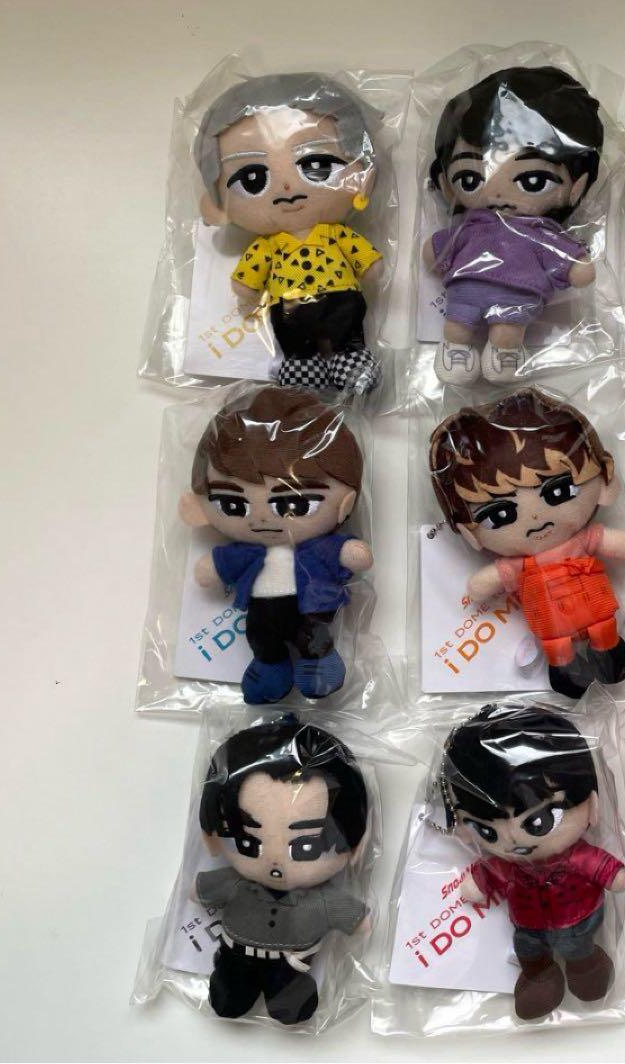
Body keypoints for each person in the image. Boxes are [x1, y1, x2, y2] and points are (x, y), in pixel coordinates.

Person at [429, 389, 625, 697]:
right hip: (552, 623)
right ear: (467, 531)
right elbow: (480, 586)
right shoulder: (521, 564)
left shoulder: (582, 541)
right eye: (499, 514)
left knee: (603, 630)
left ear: (605, 480)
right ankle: (565, 669)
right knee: (557, 645)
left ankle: (608, 653)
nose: (536, 518)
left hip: (596, 607)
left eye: (559, 491)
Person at [180, 386, 372, 702]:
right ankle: (269, 667)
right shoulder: (246, 552)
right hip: (262, 612)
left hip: (309, 610)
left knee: (313, 634)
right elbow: (216, 567)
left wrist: (349, 552)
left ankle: (318, 662)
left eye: (296, 504)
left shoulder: (313, 548)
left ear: (346, 503)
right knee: (260, 637)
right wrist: (212, 567)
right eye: (233, 505)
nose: (262, 518)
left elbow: (342, 552)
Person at [195, 73, 383, 392]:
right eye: (253, 179)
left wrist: (370, 267)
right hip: (289, 305)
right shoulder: (268, 245)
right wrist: (246, 291)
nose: (286, 187)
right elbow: (248, 279)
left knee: (347, 330)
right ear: (216, 205)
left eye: (317, 165)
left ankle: (350, 358)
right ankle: (301, 365)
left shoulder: (336, 234)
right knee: (295, 341)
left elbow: (366, 260)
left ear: (362, 177)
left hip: (340, 297)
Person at [442, 703, 625, 1020]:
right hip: (528, 926)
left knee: (577, 946)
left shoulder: (577, 856)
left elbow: (607, 871)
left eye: (538, 821)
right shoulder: (507, 866)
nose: (514, 840)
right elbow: (487, 877)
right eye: (487, 830)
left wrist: (614, 875)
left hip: (579, 919)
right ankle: (540, 976)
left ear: (592, 804)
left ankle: (585, 964)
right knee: (528, 950)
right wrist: (477, 883)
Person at [424, 66, 603, 383]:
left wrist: (577, 265)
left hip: (517, 295)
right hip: (466, 290)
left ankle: (503, 351)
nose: (495, 192)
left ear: (575, 187)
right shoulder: (472, 225)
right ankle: (456, 348)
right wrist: (434, 252)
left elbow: (574, 265)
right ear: (447, 184)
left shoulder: (542, 233)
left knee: (507, 333)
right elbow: (438, 248)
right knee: (456, 327)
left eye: (533, 180)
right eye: (471, 178)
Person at [196, 716, 370, 1025]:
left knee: (290, 1001)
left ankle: (286, 993)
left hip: (289, 965)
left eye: (306, 847)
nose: (276, 862)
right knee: (230, 994)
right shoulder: (236, 886)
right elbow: (200, 890)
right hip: (236, 958)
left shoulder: (320, 900)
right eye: (249, 843)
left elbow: (356, 919)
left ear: (355, 843)